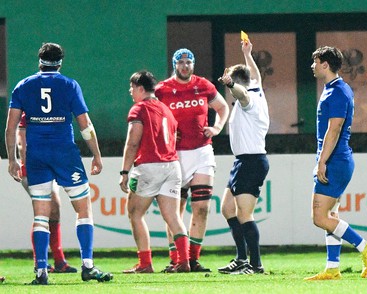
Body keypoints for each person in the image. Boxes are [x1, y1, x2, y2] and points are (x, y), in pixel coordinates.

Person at [5, 42, 113, 285]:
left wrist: (12, 159)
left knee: (41, 216)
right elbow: (85, 125)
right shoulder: (69, 85)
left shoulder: (23, 85)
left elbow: (11, 128)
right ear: (60, 62)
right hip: (65, 153)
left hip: (37, 156)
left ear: (39, 61)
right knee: (83, 209)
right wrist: (96, 154)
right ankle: (88, 266)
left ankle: (42, 272)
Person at [304, 46, 367, 281]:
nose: (312, 66)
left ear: (325, 64)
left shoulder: (336, 92)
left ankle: (364, 246)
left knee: (319, 217)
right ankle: (332, 267)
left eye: (315, 62)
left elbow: (334, 128)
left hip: (335, 161)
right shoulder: (336, 89)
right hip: (338, 159)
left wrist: (322, 162)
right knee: (331, 214)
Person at [155, 48, 229, 272]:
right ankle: (176, 259)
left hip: (201, 152)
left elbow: (223, 107)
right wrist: (166, 132)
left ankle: (193, 259)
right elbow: (151, 117)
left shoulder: (203, 85)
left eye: (189, 62)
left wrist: (217, 127)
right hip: (174, 155)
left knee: (202, 208)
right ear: (174, 65)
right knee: (174, 212)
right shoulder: (162, 89)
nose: (185, 66)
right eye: (181, 62)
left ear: (193, 64)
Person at [119, 70, 190, 274]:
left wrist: (124, 171)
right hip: (172, 166)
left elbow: (133, 142)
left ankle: (145, 263)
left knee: (135, 213)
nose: (130, 91)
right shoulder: (165, 109)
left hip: (150, 166)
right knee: (174, 218)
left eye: (132, 87)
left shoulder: (139, 109)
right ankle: (183, 261)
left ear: (141, 88)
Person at [217, 38, 270, 275]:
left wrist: (230, 84)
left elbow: (242, 94)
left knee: (244, 213)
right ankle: (241, 258)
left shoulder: (250, 98)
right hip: (243, 161)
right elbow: (254, 75)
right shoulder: (256, 85)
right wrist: (248, 54)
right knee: (227, 208)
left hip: (252, 161)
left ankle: (256, 264)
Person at [17, 112, 77, 274]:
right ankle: (41, 262)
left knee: (54, 209)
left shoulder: (52, 112)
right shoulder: (28, 113)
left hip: (49, 168)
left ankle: (58, 260)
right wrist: (26, 164)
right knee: (44, 211)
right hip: (34, 170)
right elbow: (21, 141)